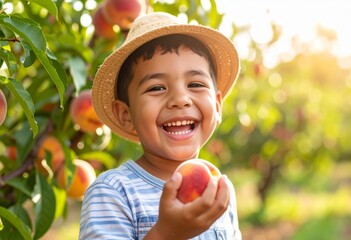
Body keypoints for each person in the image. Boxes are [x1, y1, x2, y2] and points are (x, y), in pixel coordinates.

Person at [78, 11, 241, 239]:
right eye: (156, 88)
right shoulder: (113, 192)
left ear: (217, 105)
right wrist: (166, 234)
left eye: (195, 84)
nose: (180, 99)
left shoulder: (219, 190)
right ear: (126, 114)